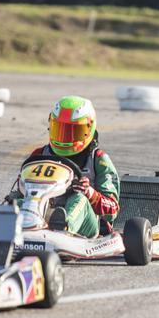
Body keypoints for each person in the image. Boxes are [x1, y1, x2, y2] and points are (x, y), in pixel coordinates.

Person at [25, 95, 119, 237]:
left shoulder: (98, 160)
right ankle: (18, 229)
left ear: (89, 129)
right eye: (60, 129)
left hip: (86, 225)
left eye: (73, 131)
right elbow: (21, 192)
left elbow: (113, 210)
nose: (65, 138)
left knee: (78, 199)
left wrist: (89, 192)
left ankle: (64, 229)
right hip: (42, 215)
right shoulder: (39, 154)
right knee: (19, 201)